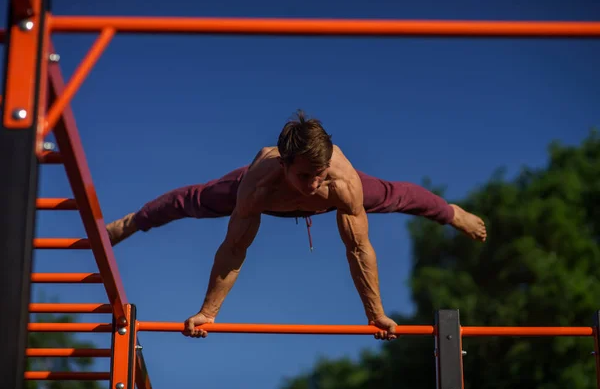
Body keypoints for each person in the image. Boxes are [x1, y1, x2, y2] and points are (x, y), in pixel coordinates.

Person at [106, 110, 487, 341]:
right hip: (268, 198)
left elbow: (357, 249)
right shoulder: (258, 182)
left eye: (319, 175)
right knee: (190, 201)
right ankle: (130, 223)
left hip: (336, 201)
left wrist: (376, 314)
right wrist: (208, 312)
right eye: (305, 176)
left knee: (399, 196)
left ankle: (454, 213)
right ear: (284, 164)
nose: (313, 185)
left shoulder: (340, 182)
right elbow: (235, 248)